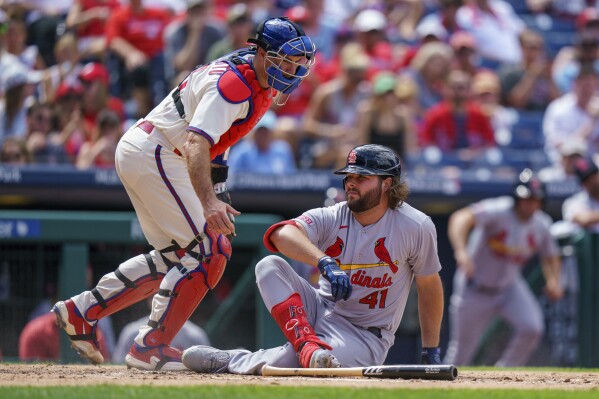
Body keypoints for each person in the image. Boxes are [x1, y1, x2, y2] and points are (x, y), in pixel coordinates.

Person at [52, 16, 315, 371]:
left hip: (155, 150)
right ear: (263, 54)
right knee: (212, 249)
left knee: (180, 255)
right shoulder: (235, 85)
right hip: (161, 151)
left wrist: (218, 192)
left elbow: (219, 144)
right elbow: (197, 143)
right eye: (286, 59)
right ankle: (151, 346)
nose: (294, 68)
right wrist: (208, 202)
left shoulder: (258, 80)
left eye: (299, 61)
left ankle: (82, 311)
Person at [181, 144, 445, 374]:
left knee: (308, 362)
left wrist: (430, 350)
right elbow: (282, 234)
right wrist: (324, 261)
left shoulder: (415, 225)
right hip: (319, 308)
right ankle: (306, 344)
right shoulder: (335, 215)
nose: (351, 182)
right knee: (269, 265)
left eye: (362, 177)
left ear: (387, 183)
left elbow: (429, 286)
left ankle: (232, 360)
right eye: (348, 176)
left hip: (364, 334)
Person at [444, 169, 564, 366]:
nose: (530, 204)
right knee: (461, 354)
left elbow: (551, 255)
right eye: (526, 198)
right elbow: (460, 218)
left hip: (509, 288)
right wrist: (461, 251)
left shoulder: (541, 224)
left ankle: (505, 372)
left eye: (535, 199)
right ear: (516, 198)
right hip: (475, 288)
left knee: (532, 328)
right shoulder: (499, 210)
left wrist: (554, 280)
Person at [562, 157, 599, 233]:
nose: (593, 181)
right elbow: (584, 219)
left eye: (594, 176)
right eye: (587, 179)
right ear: (582, 184)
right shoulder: (574, 202)